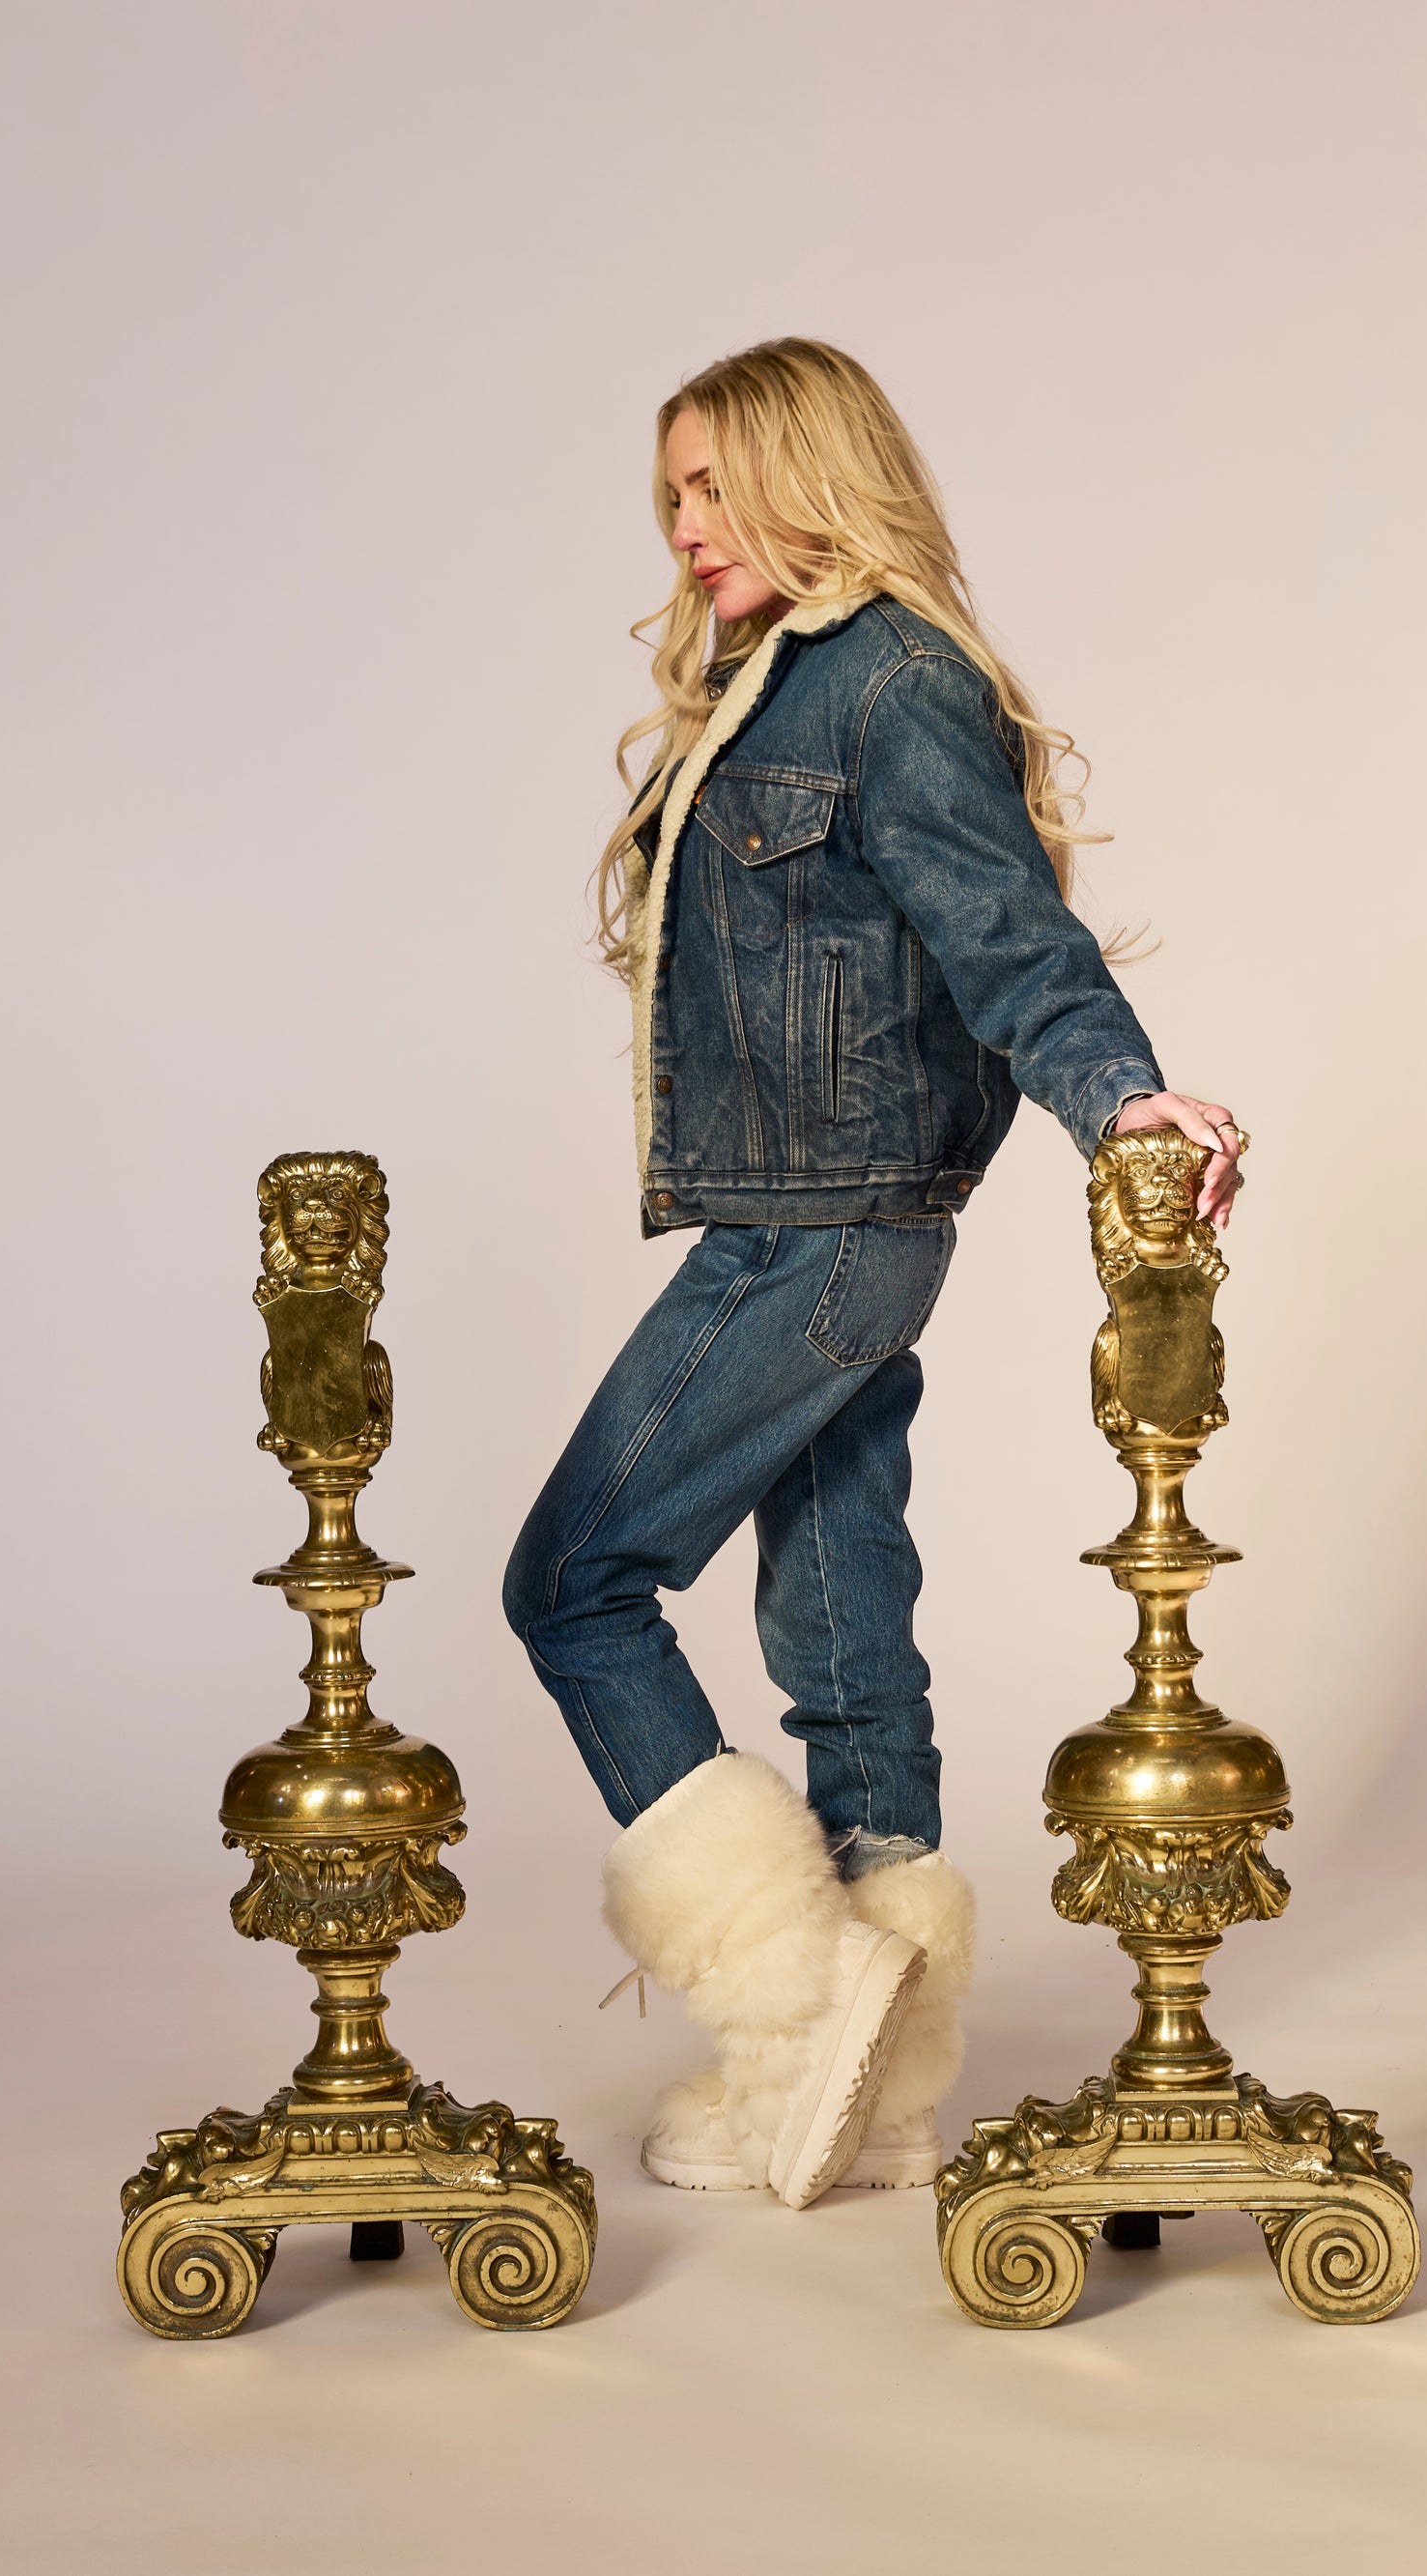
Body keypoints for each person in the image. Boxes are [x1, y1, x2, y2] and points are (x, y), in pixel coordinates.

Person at [503, 338, 1243, 2210]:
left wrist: (1124, 1099)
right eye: (669, 496)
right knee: (842, 1642)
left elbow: (1012, 943)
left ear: (805, 471)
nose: (684, 530)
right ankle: (880, 2085)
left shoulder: (890, 682)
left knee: (573, 1583)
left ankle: (788, 2000)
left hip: (818, 1227)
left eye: (712, 487)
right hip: (844, 1222)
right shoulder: (777, 680)